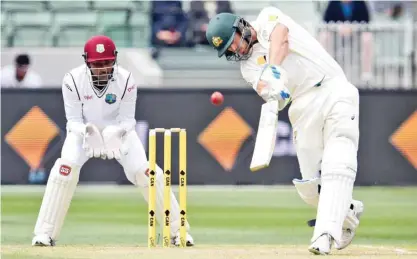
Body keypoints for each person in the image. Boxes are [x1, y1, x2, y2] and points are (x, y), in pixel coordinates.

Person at [205, 7, 364, 255]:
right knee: (310, 189)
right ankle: (348, 213)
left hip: (333, 87)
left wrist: (274, 70)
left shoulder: (267, 17)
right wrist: (275, 92)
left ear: (241, 27)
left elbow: (282, 39)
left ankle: (324, 234)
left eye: (232, 43)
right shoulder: (247, 68)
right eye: (228, 50)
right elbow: (268, 93)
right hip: (301, 106)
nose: (234, 50)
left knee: (338, 161)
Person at [31, 35, 194, 247]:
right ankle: (45, 234)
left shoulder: (126, 79)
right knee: (64, 169)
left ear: (115, 59)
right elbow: (72, 121)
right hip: (84, 134)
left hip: (120, 134)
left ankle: (178, 232)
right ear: (87, 62)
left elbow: (128, 120)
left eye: (107, 63)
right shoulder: (72, 80)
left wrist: (116, 132)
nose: (103, 69)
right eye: (97, 64)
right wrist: (87, 131)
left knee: (148, 173)